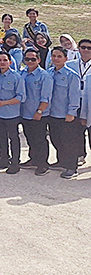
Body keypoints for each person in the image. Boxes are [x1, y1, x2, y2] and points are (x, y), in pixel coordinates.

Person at [0, 51, 26, 174]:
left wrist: (4, 103)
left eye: (5, 60)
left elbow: (21, 97)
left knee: (13, 138)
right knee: (1, 136)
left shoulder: (16, 77)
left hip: (11, 113)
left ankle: (15, 162)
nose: (2, 62)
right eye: (0, 60)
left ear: (10, 62)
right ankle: (3, 159)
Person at [48, 47, 82, 179]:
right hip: (52, 113)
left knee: (68, 142)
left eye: (59, 56)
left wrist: (72, 112)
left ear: (66, 59)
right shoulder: (49, 73)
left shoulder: (71, 75)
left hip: (66, 115)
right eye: (54, 56)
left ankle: (71, 167)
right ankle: (61, 161)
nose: (56, 58)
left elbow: (74, 95)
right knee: (55, 139)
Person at [20, 49, 53, 175]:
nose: (30, 61)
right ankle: (33, 159)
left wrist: (39, 111)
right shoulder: (22, 73)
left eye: (33, 59)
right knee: (29, 138)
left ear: (39, 60)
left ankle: (43, 164)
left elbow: (46, 97)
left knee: (40, 139)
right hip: (25, 113)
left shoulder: (44, 76)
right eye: (27, 59)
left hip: (38, 114)